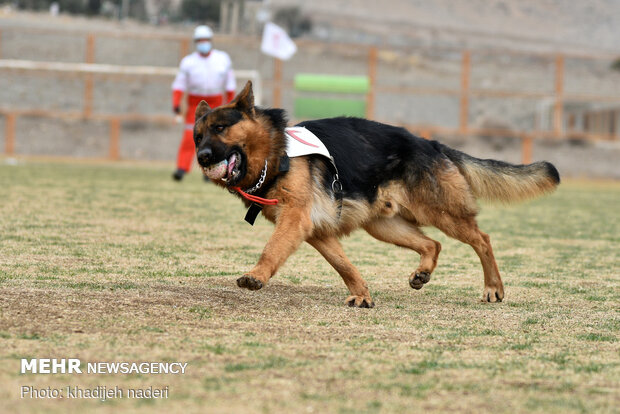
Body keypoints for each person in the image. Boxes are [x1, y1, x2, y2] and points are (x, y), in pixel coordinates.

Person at [171, 25, 236, 181]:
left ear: (210, 41)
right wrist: (176, 103)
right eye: (200, 40)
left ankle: (212, 169)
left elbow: (230, 84)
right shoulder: (188, 62)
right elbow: (179, 85)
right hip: (195, 103)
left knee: (216, 138)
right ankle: (181, 168)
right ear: (196, 42)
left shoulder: (222, 59)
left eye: (206, 40)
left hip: (216, 103)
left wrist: (230, 105)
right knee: (189, 137)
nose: (203, 43)